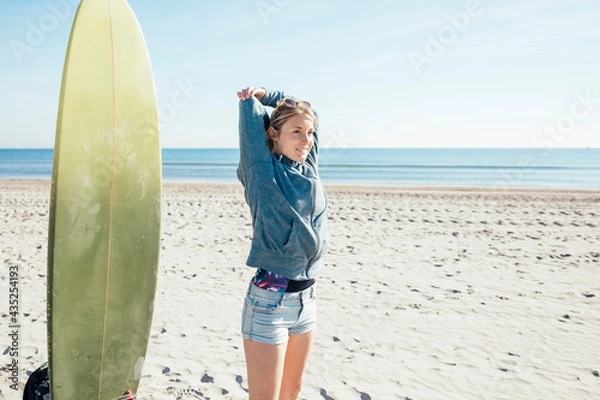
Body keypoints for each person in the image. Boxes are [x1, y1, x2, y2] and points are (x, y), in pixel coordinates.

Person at [236, 86, 329, 399]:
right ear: (274, 134)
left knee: (293, 390)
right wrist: (254, 99)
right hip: (268, 305)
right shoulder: (262, 171)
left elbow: (310, 110)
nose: (306, 141)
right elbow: (251, 121)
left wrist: (272, 94)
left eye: (310, 133)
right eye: (297, 132)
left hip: (306, 301)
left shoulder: (309, 168)